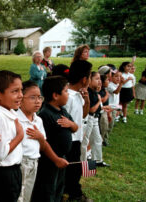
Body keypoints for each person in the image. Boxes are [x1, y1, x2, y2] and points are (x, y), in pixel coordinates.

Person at [17, 81, 68, 202]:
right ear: (20, 99)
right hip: (21, 162)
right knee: (19, 194)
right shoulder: (16, 119)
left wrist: (40, 138)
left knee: (28, 194)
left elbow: (42, 146)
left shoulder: (38, 120)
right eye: (32, 97)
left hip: (34, 161)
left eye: (40, 97)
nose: (38, 101)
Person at [31, 76, 77, 202]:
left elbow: (75, 128)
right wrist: (56, 159)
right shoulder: (45, 114)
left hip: (62, 158)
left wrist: (71, 124)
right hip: (50, 161)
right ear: (56, 95)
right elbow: (43, 142)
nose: (68, 94)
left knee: (58, 188)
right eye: (66, 91)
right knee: (47, 190)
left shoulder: (63, 111)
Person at [0, 70, 24, 202]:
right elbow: (0, 154)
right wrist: (20, 136)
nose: (20, 95)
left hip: (13, 170)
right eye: (15, 91)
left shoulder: (10, 112)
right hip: (4, 174)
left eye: (21, 90)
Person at [63, 60, 92, 201]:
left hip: (78, 137)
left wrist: (87, 101)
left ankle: (72, 191)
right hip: (70, 140)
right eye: (90, 76)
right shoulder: (67, 96)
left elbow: (83, 115)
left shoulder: (79, 95)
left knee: (76, 168)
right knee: (72, 169)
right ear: (84, 79)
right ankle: (74, 194)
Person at [81, 72, 109, 167]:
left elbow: (97, 108)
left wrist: (103, 107)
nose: (99, 81)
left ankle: (97, 160)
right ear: (90, 80)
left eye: (100, 79)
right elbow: (91, 109)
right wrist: (100, 101)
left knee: (97, 139)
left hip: (95, 119)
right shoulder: (88, 92)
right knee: (85, 141)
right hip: (88, 119)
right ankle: (83, 163)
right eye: (97, 79)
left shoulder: (95, 92)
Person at [99, 74, 113, 146]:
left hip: (106, 110)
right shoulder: (100, 90)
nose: (109, 81)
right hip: (102, 111)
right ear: (103, 82)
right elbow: (101, 100)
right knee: (103, 126)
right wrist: (107, 95)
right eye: (107, 80)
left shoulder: (104, 90)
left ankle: (104, 139)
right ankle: (101, 140)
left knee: (109, 125)